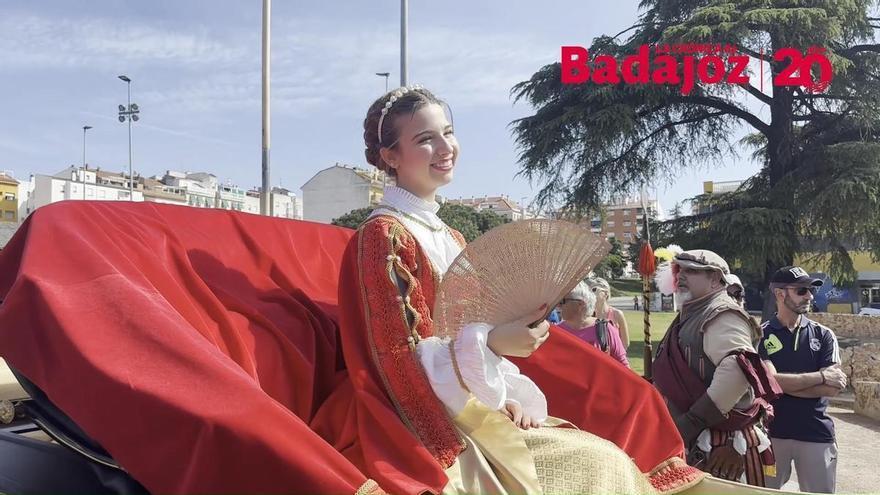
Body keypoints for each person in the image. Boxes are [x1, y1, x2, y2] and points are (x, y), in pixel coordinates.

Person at [331, 86, 703, 494]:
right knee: (599, 464)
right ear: (390, 156)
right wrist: (489, 342)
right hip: (419, 422)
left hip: (467, 406)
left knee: (604, 454)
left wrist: (501, 390)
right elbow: (396, 360)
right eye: (425, 139)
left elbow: (463, 332)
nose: (445, 147)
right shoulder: (384, 236)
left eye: (448, 132)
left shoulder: (451, 236)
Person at [653, 250, 782, 487]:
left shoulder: (722, 313)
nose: (681, 275)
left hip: (722, 444)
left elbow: (737, 371)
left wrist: (691, 421)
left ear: (715, 279)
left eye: (692, 271)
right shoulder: (693, 312)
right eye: (679, 269)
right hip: (697, 439)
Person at [759, 266, 845, 493]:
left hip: (817, 434)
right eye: (801, 290)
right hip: (771, 435)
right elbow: (768, 382)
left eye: (810, 290)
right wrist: (820, 376)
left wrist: (782, 384)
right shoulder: (759, 335)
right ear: (780, 294)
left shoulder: (824, 335)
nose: (809, 296)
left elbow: (832, 388)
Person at [557, 282, 629, 367]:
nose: (558, 305)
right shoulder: (555, 332)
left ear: (580, 304)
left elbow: (623, 367)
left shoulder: (605, 329)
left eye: (563, 301)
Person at [588, 277, 631, 348]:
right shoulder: (587, 314)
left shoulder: (617, 314)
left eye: (595, 290)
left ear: (606, 294)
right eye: (590, 290)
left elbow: (625, 343)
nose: (593, 293)